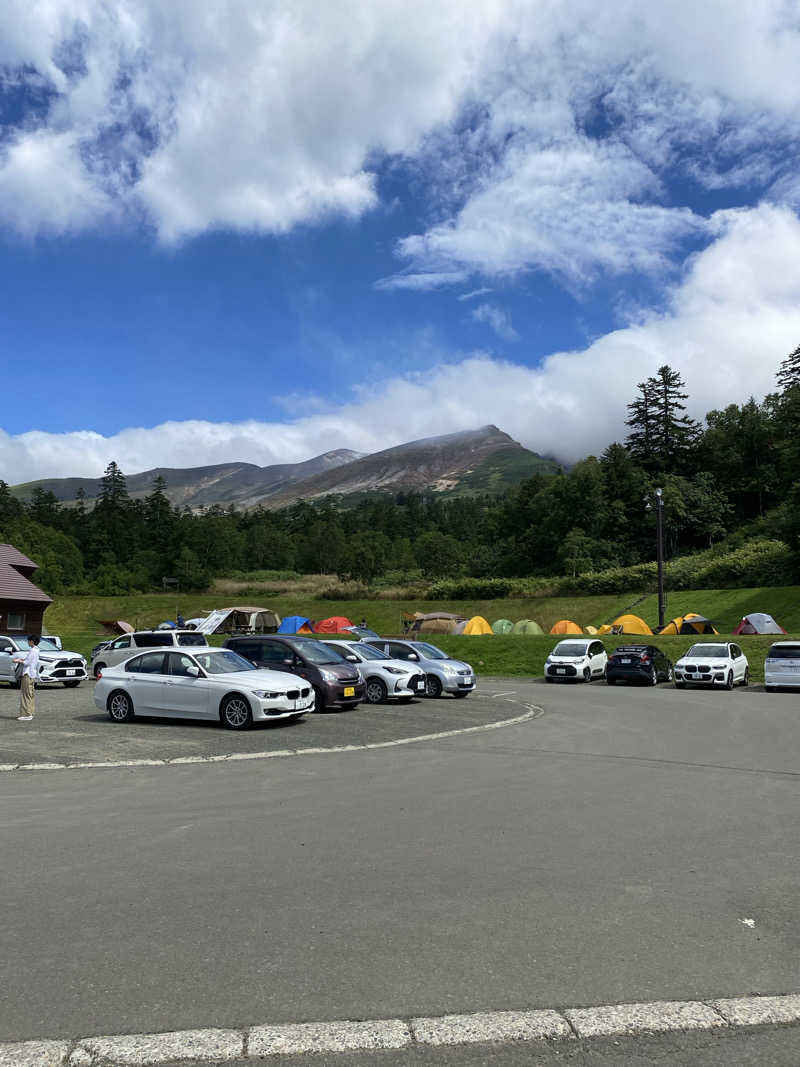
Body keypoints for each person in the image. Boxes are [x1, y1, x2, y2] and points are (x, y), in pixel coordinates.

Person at [13, 635, 40, 722]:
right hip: (32, 674)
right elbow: (29, 660)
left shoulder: (32, 650)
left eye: (28, 641)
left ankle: (26, 714)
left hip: (27, 674)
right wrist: (23, 659)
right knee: (30, 694)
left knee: (25, 694)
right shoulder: (37, 649)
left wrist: (18, 660)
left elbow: (27, 662)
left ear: (32, 641)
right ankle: (30, 713)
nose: (28, 642)